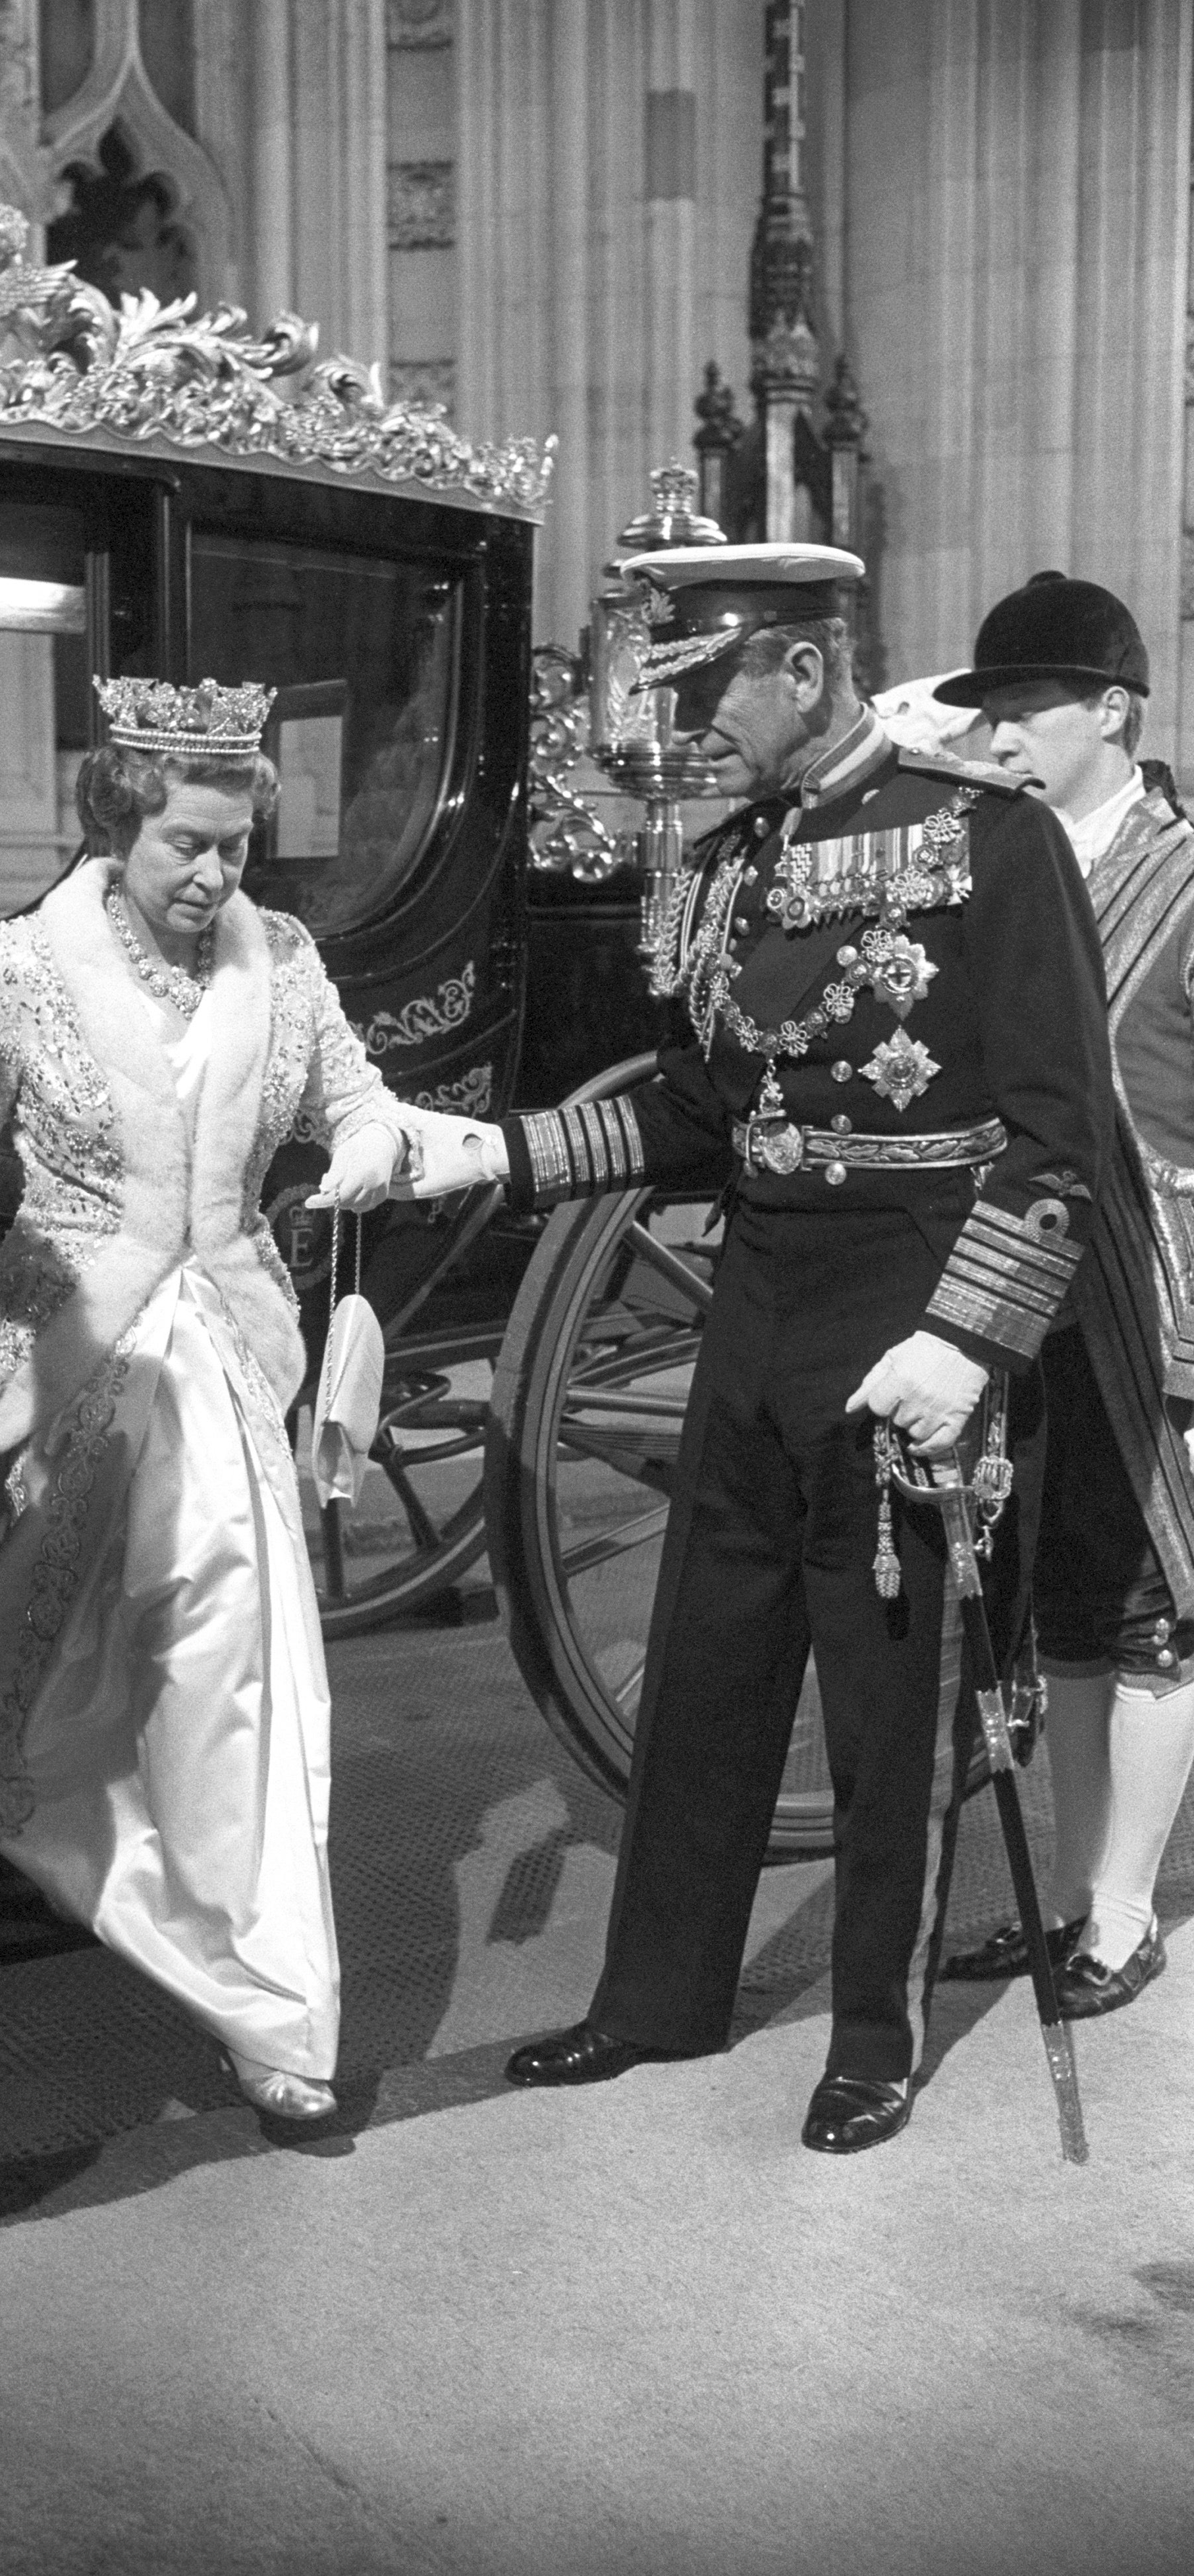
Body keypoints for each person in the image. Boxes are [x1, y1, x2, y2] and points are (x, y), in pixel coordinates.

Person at [404, 544, 1113, 2153]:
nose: (687, 728)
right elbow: (694, 1114)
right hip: (759, 1296)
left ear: (802, 667)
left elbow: (1061, 1138)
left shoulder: (987, 844)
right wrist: (501, 1158)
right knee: (711, 1663)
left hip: (909, 1302)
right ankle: (655, 1997)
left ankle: (875, 2030)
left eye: (706, 688)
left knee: (885, 1689)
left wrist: (967, 1335)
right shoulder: (720, 868)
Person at [0, 676, 403, 2122]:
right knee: (37, 1666)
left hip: (229, 1366)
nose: (216, 874)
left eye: (236, 844)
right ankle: (116, 1878)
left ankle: (266, 1997)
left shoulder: (283, 961)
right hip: (62, 1360)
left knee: (237, 1670)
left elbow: (354, 1094)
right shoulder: (16, 967)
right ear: (117, 824)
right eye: (187, 842)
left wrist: (363, 1142)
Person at [937, 577, 1194, 2018]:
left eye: (1026, 711)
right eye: (990, 716)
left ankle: (1121, 1911)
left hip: (1154, 1299)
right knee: (1060, 1618)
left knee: (1155, 1603)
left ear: (1111, 709)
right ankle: (1076, 1895)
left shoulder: (1183, 877)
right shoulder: (990, 866)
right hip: (1014, 1295)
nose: (1001, 739)